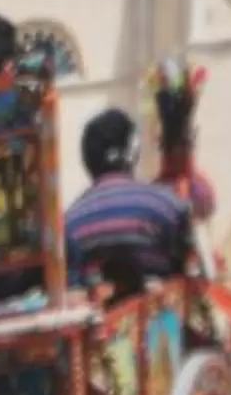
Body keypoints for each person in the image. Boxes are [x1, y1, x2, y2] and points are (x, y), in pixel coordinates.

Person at [63, 109, 194, 295]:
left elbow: (72, 289)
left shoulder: (70, 224)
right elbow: (189, 276)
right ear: (133, 151)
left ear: (87, 159)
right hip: (165, 318)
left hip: (99, 319)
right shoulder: (169, 205)